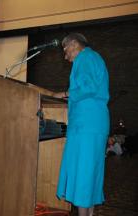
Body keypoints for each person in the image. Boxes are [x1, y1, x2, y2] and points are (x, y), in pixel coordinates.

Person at [53, 33, 110, 216]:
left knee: (83, 175)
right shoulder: (94, 57)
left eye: (65, 49)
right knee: (90, 174)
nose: (65, 55)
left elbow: (88, 87)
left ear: (74, 44)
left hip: (87, 125)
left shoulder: (85, 58)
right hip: (93, 123)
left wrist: (63, 94)